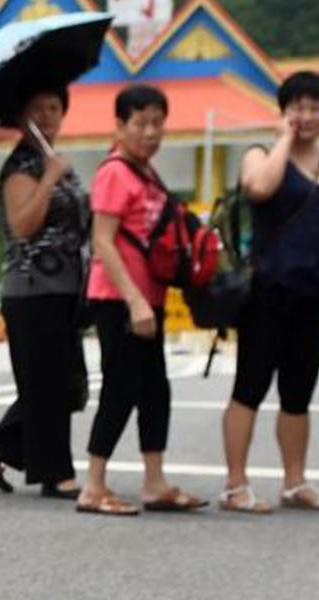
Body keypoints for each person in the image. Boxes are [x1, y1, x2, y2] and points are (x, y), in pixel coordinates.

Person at [220, 70, 319, 513]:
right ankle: (235, 485)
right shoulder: (260, 155)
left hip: (314, 292)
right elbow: (260, 187)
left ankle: (294, 481)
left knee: (298, 393)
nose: (306, 116)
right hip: (268, 291)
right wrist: (284, 141)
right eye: (297, 107)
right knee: (249, 387)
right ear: (283, 112)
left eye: (314, 107)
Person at [77, 84, 206, 516]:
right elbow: (103, 241)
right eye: (140, 123)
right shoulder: (114, 172)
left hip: (146, 297)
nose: (150, 132)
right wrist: (134, 302)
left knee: (155, 391)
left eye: (158, 123)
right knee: (121, 387)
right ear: (120, 126)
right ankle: (93, 485)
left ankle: (155, 482)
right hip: (118, 298)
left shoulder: (147, 174)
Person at [0, 86, 86, 500]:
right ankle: (56, 473)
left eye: (54, 108)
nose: (48, 116)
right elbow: (23, 225)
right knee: (47, 384)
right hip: (32, 289)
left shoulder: (57, 160)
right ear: (23, 117)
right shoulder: (22, 166)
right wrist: (50, 177)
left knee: (63, 383)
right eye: (38, 109)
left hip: (66, 287)